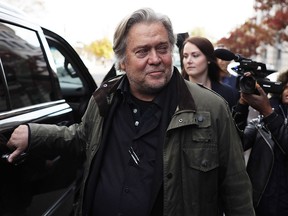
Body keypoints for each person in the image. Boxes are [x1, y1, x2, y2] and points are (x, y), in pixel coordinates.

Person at [6, 8, 255, 216]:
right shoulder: (104, 98)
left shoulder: (211, 109)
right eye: (142, 51)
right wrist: (34, 134)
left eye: (162, 48)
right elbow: (83, 137)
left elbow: (236, 191)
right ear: (122, 61)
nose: (156, 59)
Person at [232, 70, 288, 216]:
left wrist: (268, 112)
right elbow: (235, 144)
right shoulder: (263, 120)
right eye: (287, 86)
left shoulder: (268, 113)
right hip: (261, 202)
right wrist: (243, 104)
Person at [181, 36, 239, 110]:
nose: (188, 61)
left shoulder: (228, 93)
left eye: (195, 55)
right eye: (185, 56)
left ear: (208, 59)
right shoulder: (175, 93)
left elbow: (237, 121)